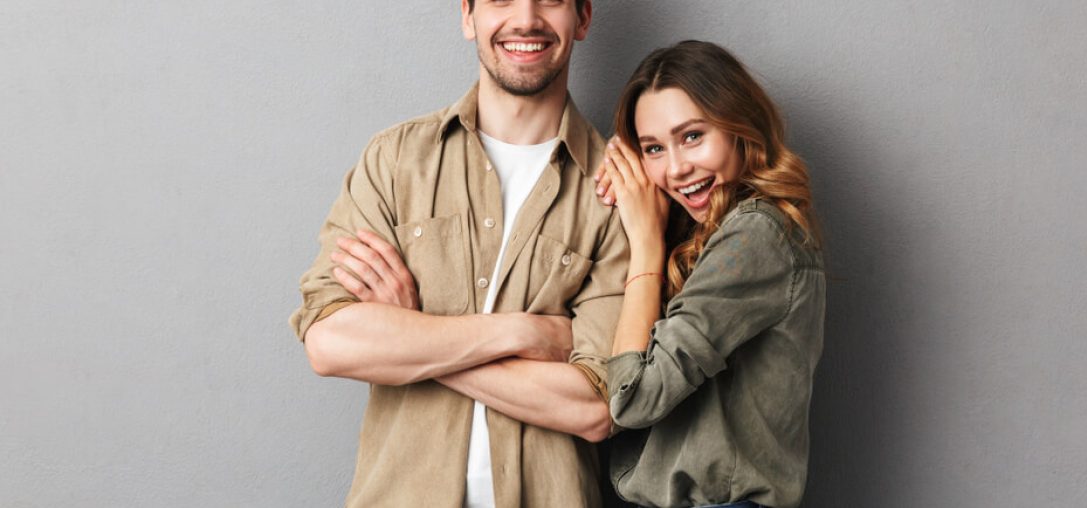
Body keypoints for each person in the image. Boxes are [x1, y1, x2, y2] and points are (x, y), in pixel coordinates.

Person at [288, 1, 629, 506]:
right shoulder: (396, 161)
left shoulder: (617, 193)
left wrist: (413, 331)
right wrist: (523, 332)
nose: (526, 19)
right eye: (500, 0)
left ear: (582, 18)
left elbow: (595, 407)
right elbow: (331, 342)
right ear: (468, 16)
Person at [594, 40, 826, 508]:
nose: (677, 168)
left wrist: (645, 245)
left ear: (739, 126)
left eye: (693, 136)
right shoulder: (709, 240)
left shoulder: (758, 234)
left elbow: (634, 397)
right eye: (654, 149)